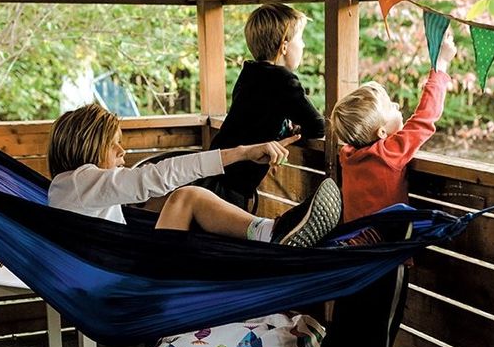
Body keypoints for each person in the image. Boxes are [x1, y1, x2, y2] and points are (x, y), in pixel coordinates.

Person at [305, 31, 458, 347]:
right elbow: (425, 119)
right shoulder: (388, 153)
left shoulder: (348, 157)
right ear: (380, 130)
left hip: (350, 263)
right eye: (392, 107)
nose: (399, 109)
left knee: (341, 339)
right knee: (376, 345)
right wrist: (440, 67)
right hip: (384, 266)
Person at [46, 103, 341, 248]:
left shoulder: (67, 187)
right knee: (187, 197)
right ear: (88, 146)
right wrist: (240, 153)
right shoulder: (82, 180)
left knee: (176, 197)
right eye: (113, 144)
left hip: (108, 268)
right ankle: (268, 233)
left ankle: (268, 233)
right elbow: (156, 177)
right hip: (124, 278)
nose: (122, 150)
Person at [204, 3, 326, 208]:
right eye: (300, 39)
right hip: (232, 183)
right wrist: (296, 131)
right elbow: (318, 126)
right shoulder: (283, 80)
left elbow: (261, 116)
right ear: (285, 46)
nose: (304, 45)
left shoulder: (249, 73)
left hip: (216, 169)